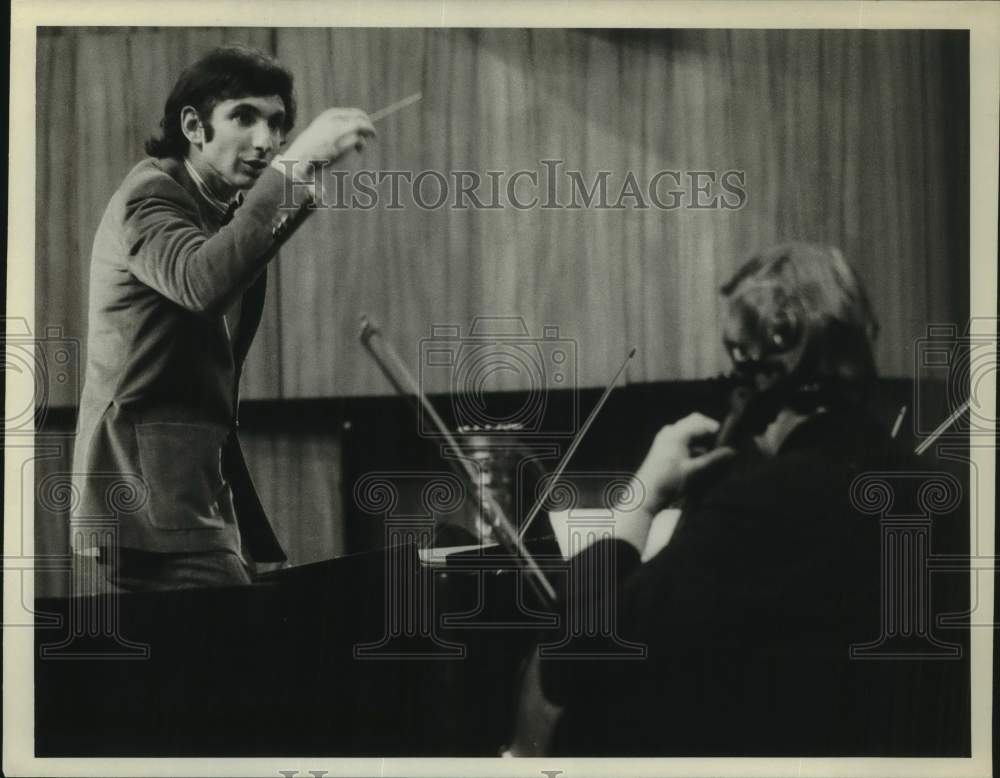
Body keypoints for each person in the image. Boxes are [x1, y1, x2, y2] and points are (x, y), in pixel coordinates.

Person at [512, 242, 962, 755]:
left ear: (762, 372)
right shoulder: (932, 490)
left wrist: (642, 500)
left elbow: (575, 658)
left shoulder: (762, 508)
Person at [70, 45, 375, 592]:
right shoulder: (150, 193)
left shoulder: (218, 209)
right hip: (145, 494)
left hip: (192, 490)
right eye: (244, 117)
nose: (266, 141)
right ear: (193, 125)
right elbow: (200, 282)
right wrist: (293, 167)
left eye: (279, 124)